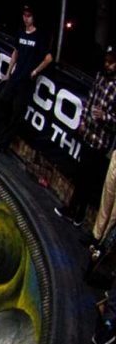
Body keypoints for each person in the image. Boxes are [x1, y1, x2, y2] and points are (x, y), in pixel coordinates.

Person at [0, 5, 53, 153]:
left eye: (29, 16)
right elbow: (15, 52)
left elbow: (48, 58)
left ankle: (2, 143)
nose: (26, 19)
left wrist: (35, 71)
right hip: (15, 77)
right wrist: (9, 72)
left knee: (16, 113)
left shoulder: (39, 36)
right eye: (24, 15)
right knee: (2, 102)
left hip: (26, 82)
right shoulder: (21, 32)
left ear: (33, 18)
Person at [55, 50, 116, 228]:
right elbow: (89, 101)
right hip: (88, 132)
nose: (108, 65)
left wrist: (104, 116)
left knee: (89, 179)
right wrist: (82, 121)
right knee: (80, 174)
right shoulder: (100, 77)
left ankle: (80, 214)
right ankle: (71, 208)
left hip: (101, 140)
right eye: (107, 62)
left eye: (112, 63)